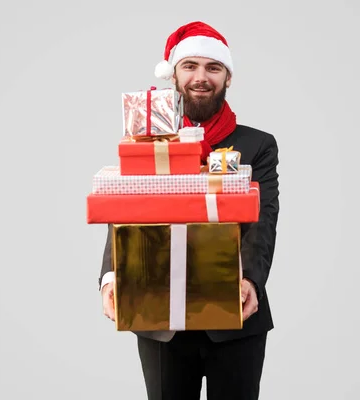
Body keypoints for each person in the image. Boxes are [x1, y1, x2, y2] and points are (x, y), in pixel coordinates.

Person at [98, 21, 280, 400]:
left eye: (213, 68)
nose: (201, 77)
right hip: (158, 316)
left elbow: (262, 221)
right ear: (174, 75)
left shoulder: (257, 144)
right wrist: (112, 276)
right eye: (190, 66)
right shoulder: (145, 138)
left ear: (228, 78)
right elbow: (125, 206)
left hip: (235, 316)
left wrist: (249, 281)